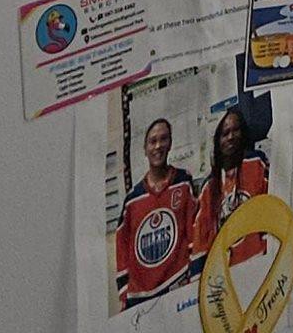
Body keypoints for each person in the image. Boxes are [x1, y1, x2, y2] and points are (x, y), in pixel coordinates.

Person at [116, 116, 198, 305]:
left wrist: (193, 275)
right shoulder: (132, 200)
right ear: (145, 149)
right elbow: (122, 247)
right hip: (141, 297)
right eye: (153, 141)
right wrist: (125, 292)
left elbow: (194, 230)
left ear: (170, 144)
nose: (158, 146)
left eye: (164, 139)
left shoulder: (183, 182)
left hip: (178, 285)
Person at [193, 104, 271, 267]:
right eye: (225, 133)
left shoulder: (256, 164)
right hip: (227, 274)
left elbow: (273, 209)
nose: (230, 137)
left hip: (262, 262)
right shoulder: (209, 188)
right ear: (217, 140)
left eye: (235, 130)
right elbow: (201, 240)